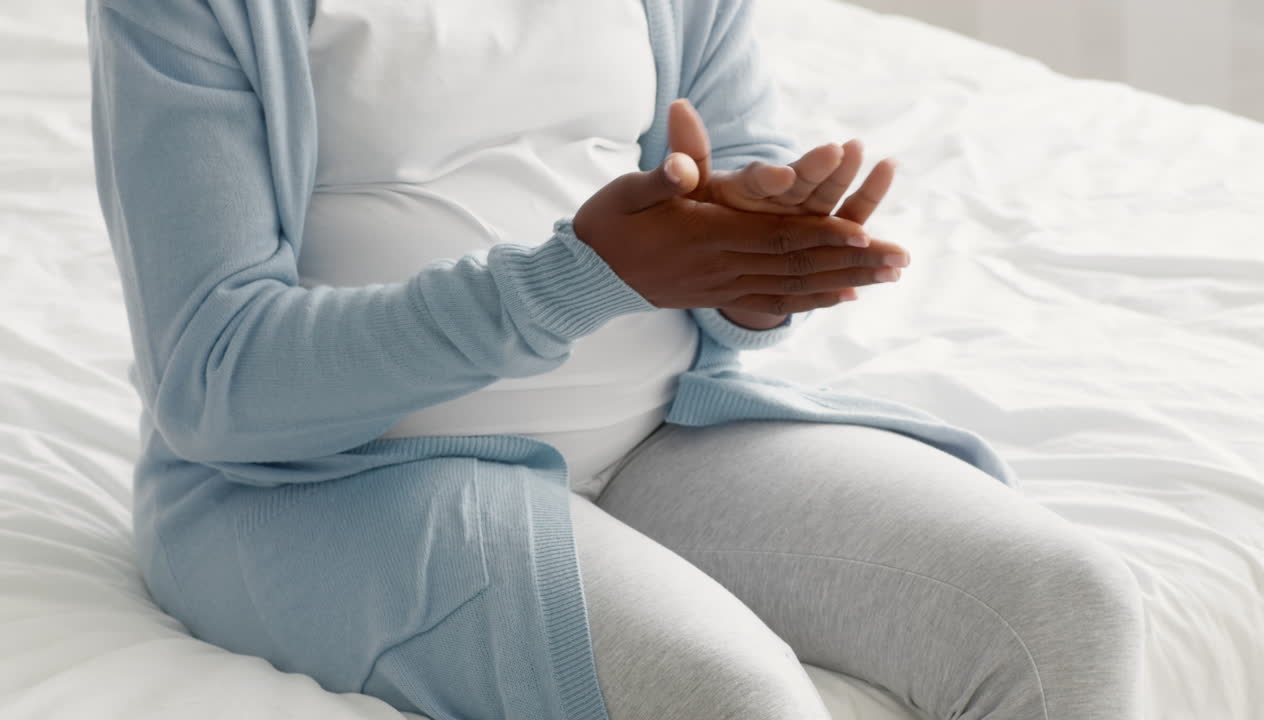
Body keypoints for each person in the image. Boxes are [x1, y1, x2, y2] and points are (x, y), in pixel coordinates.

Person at [86, 0, 1145, 718]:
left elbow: (717, 169)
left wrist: (756, 258)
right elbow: (214, 380)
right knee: (727, 699)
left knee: (1063, 604)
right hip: (340, 476)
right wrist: (581, 275)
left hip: (653, 427)